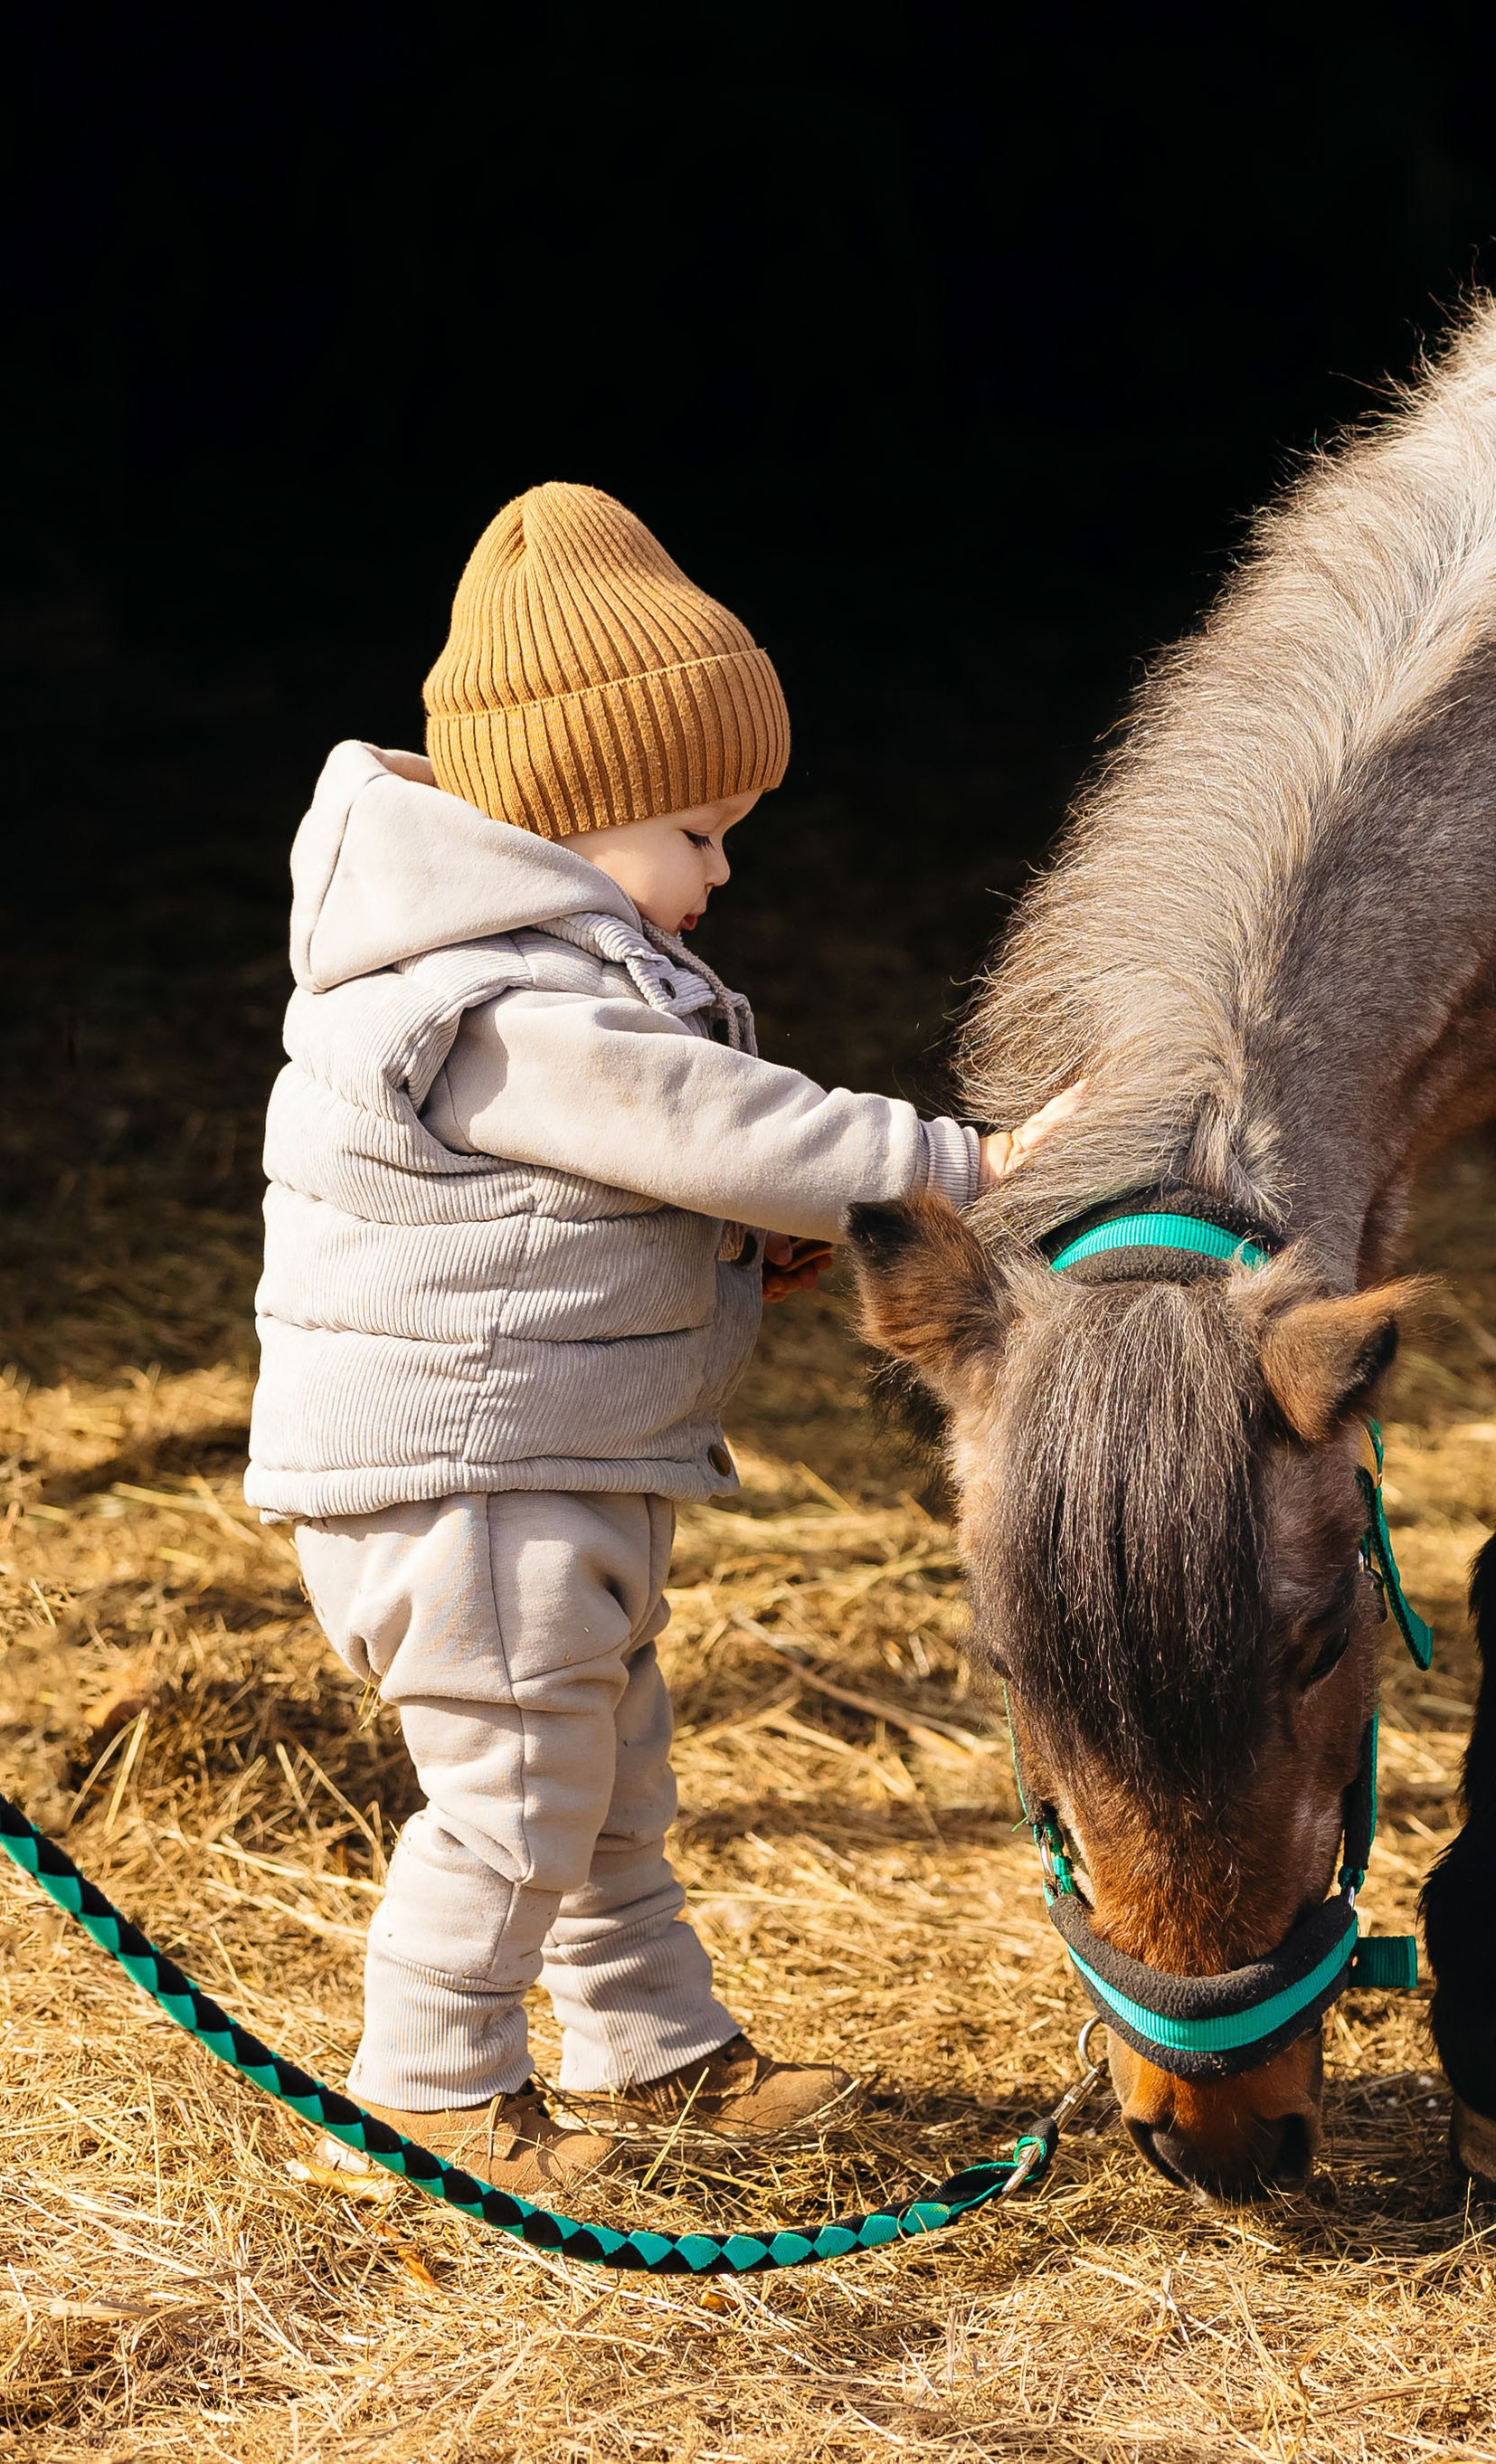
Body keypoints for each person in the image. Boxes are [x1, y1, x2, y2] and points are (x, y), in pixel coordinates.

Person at [247, 482, 1075, 2195]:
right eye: (697, 828)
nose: (719, 867)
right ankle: (430, 2082)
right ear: (577, 809)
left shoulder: (552, 969)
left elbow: (626, 1185)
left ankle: (653, 2048)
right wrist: (960, 1167)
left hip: (559, 1452)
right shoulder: (486, 995)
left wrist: (730, 1249)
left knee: (611, 1778)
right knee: (520, 1792)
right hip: (468, 1469)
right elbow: (706, 1118)